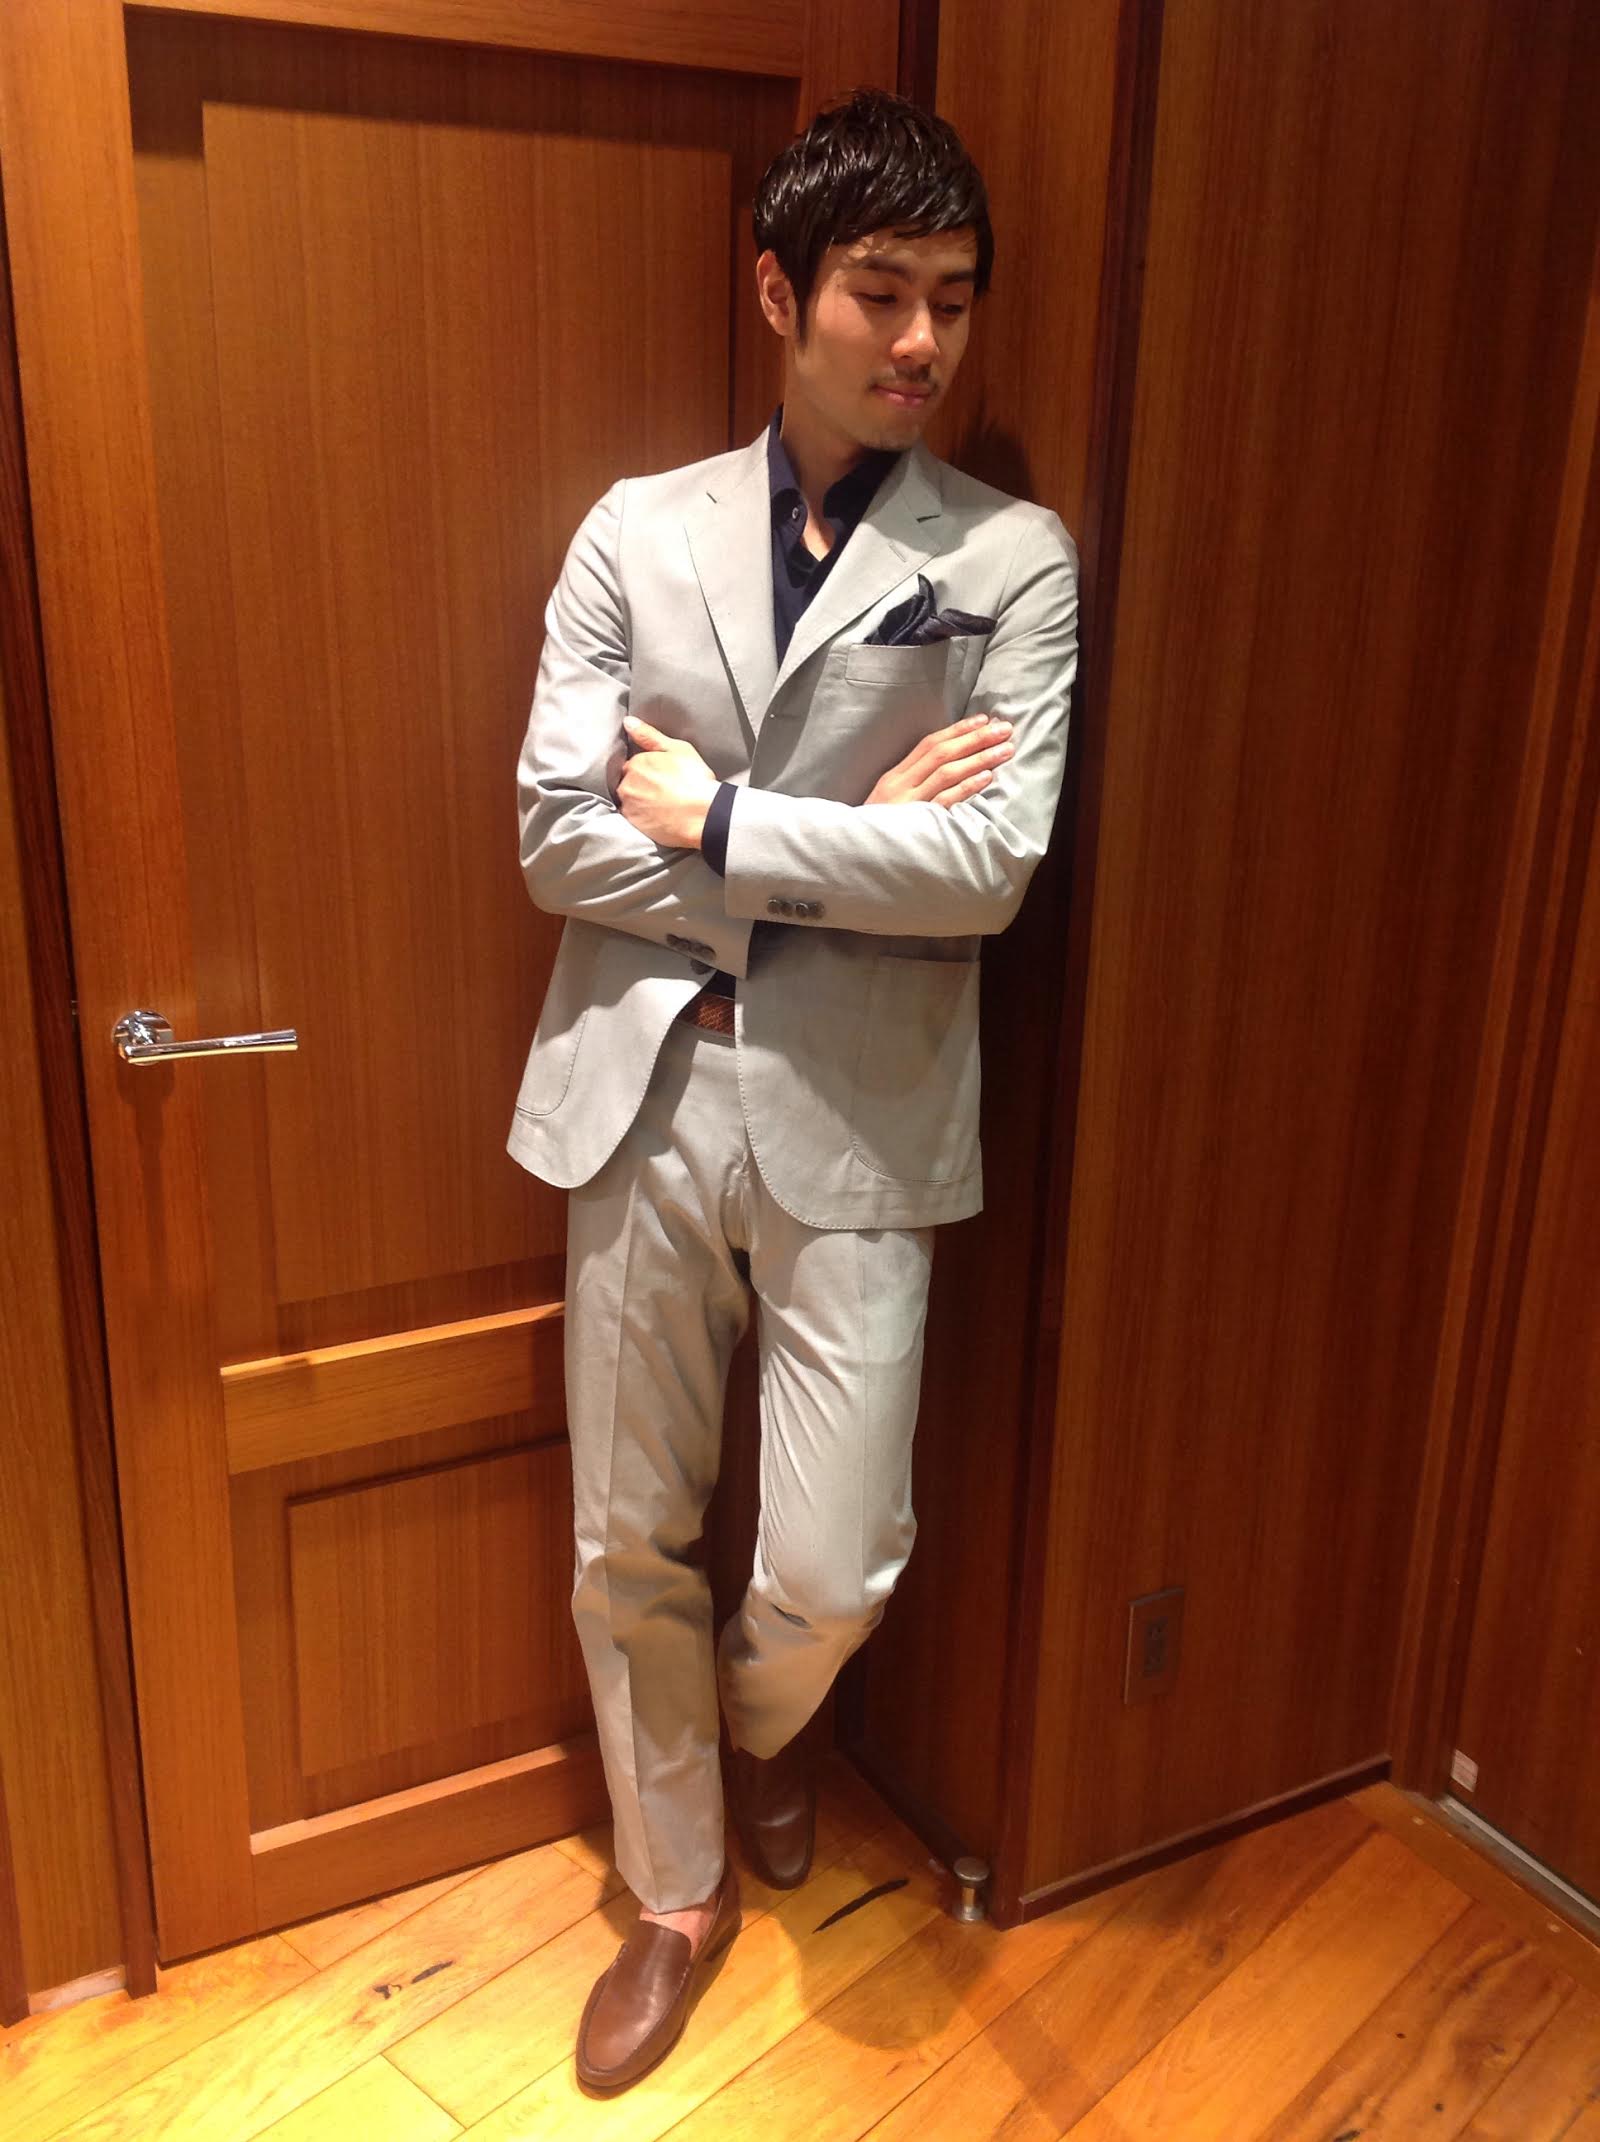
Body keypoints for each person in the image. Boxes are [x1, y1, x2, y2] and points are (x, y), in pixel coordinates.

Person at [507, 86, 1080, 2094]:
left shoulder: (1007, 558)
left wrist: (732, 817)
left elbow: (985, 869)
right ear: (779, 291)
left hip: (866, 1109)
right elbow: (552, 835)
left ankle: (761, 1725)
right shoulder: (631, 529)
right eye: (876, 291)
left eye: (952, 300)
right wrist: (852, 834)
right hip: (647, 1085)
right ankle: (673, 1889)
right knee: (626, 1530)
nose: (920, 339)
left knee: (835, 1562)